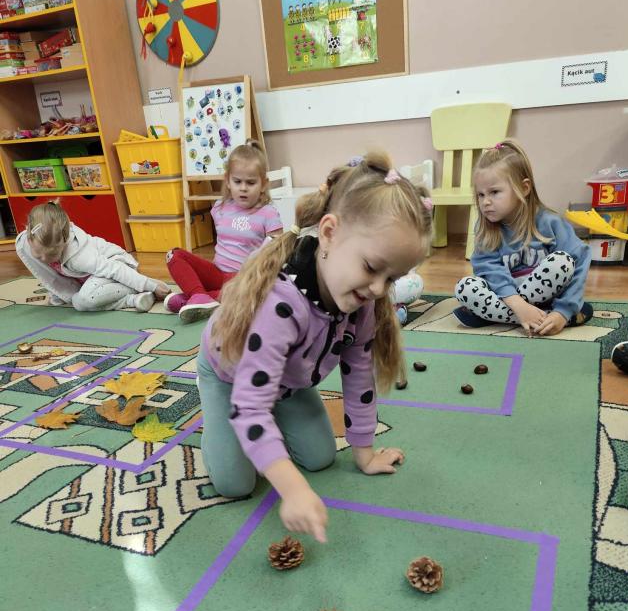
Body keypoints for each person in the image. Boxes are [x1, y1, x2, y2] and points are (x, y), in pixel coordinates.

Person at [197, 152, 432, 542]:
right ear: (329, 233)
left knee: (321, 458)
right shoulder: (280, 305)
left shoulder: (362, 302)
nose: (378, 288)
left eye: (392, 278)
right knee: (236, 484)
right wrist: (293, 490)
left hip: (289, 382)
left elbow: (359, 377)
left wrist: (364, 454)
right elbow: (250, 406)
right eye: (372, 267)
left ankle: (276, 407)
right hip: (229, 377)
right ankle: (217, 419)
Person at [453, 139, 593, 336]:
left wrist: (563, 310)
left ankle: (492, 316)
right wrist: (519, 306)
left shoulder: (550, 222)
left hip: (546, 296)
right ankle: (540, 317)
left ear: (524, 188)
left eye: (494, 192)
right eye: (480, 195)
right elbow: (488, 270)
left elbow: (579, 261)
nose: (485, 202)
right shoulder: (486, 228)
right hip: (507, 298)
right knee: (464, 287)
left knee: (562, 262)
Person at [165, 139, 283, 323]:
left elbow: (278, 252)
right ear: (228, 181)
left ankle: (191, 298)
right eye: (237, 181)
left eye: (251, 182)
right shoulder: (219, 207)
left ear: (263, 184)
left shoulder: (268, 213)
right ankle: (199, 296)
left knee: (247, 295)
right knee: (174, 255)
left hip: (244, 279)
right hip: (217, 273)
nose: (243, 188)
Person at [16, 201, 169, 311]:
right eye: (39, 255)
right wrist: (57, 295)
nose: (44, 260)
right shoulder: (27, 244)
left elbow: (114, 269)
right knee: (80, 299)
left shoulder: (79, 256)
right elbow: (49, 275)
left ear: (64, 242)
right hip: (92, 279)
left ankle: (136, 293)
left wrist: (150, 285)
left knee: (82, 301)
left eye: (52, 255)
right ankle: (135, 297)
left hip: (117, 265)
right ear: (29, 239)